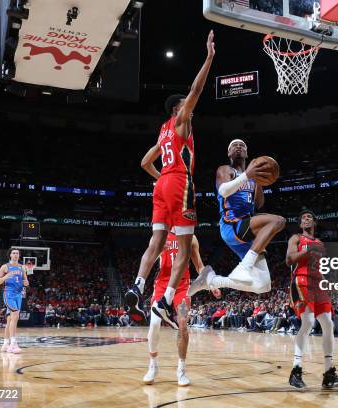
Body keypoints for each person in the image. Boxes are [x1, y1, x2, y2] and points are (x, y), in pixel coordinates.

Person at [124, 30, 216, 329]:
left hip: (162, 183)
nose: (191, 108)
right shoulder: (180, 121)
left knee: (157, 240)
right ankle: (166, 301)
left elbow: (143, 162)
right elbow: (197, 89)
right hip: (179, 181)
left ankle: (137, 285)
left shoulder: (162, 129)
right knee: (186, 244)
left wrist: (158, 178)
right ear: (179, 109)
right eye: (186, 105)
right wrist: (209, 57)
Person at [188, 139, 285, 296]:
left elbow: (259, 204)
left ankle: (212, 280)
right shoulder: (225, 170)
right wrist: (247, 175)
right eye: (234, 146)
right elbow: (224, 191)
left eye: (242, 146)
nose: (238, 147)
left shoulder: (252, 178)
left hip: (247, 232)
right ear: (229, 153)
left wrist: (258, 181)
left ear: (247, 153)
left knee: (264, 285)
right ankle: (243, 267)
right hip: (231, 225)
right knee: (278, 221)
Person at [285, 209, 338, 389]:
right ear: (300, 223)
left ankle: (329, 374)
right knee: (308, 322)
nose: (306, 219)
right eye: (303, 217)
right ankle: (296, 370)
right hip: (301, 280)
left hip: (318, 282)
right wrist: (308, 250)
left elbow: (320, 265)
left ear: (314, 222)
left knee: (328, 324)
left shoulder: (320, 243)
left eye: (309, 217)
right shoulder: (296, 238)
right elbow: (289, 259)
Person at [144, 231, 209, 386]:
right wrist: (159, 250)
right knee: (154, 323)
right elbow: (149, 260)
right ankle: (153, 364)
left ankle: (181, 369)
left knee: (183, 323)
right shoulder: (159, 235)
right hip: (162, 285)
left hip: (182, 287)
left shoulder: (191, 237)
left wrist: (210, 282)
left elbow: (199, 265)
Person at [0, 249, 30, 354]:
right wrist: (6, 276)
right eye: (13, 253)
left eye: (17, 253)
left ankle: (5, 344)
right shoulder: (5, 267)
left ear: (19, 255)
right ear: (10, 255)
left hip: (19, 294)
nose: (15, 254)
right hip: (9, 293)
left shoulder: (22, 267)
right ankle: (13, 344)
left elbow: (26, 282)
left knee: (10, 320)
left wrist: (26, 283)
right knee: (15, 316)